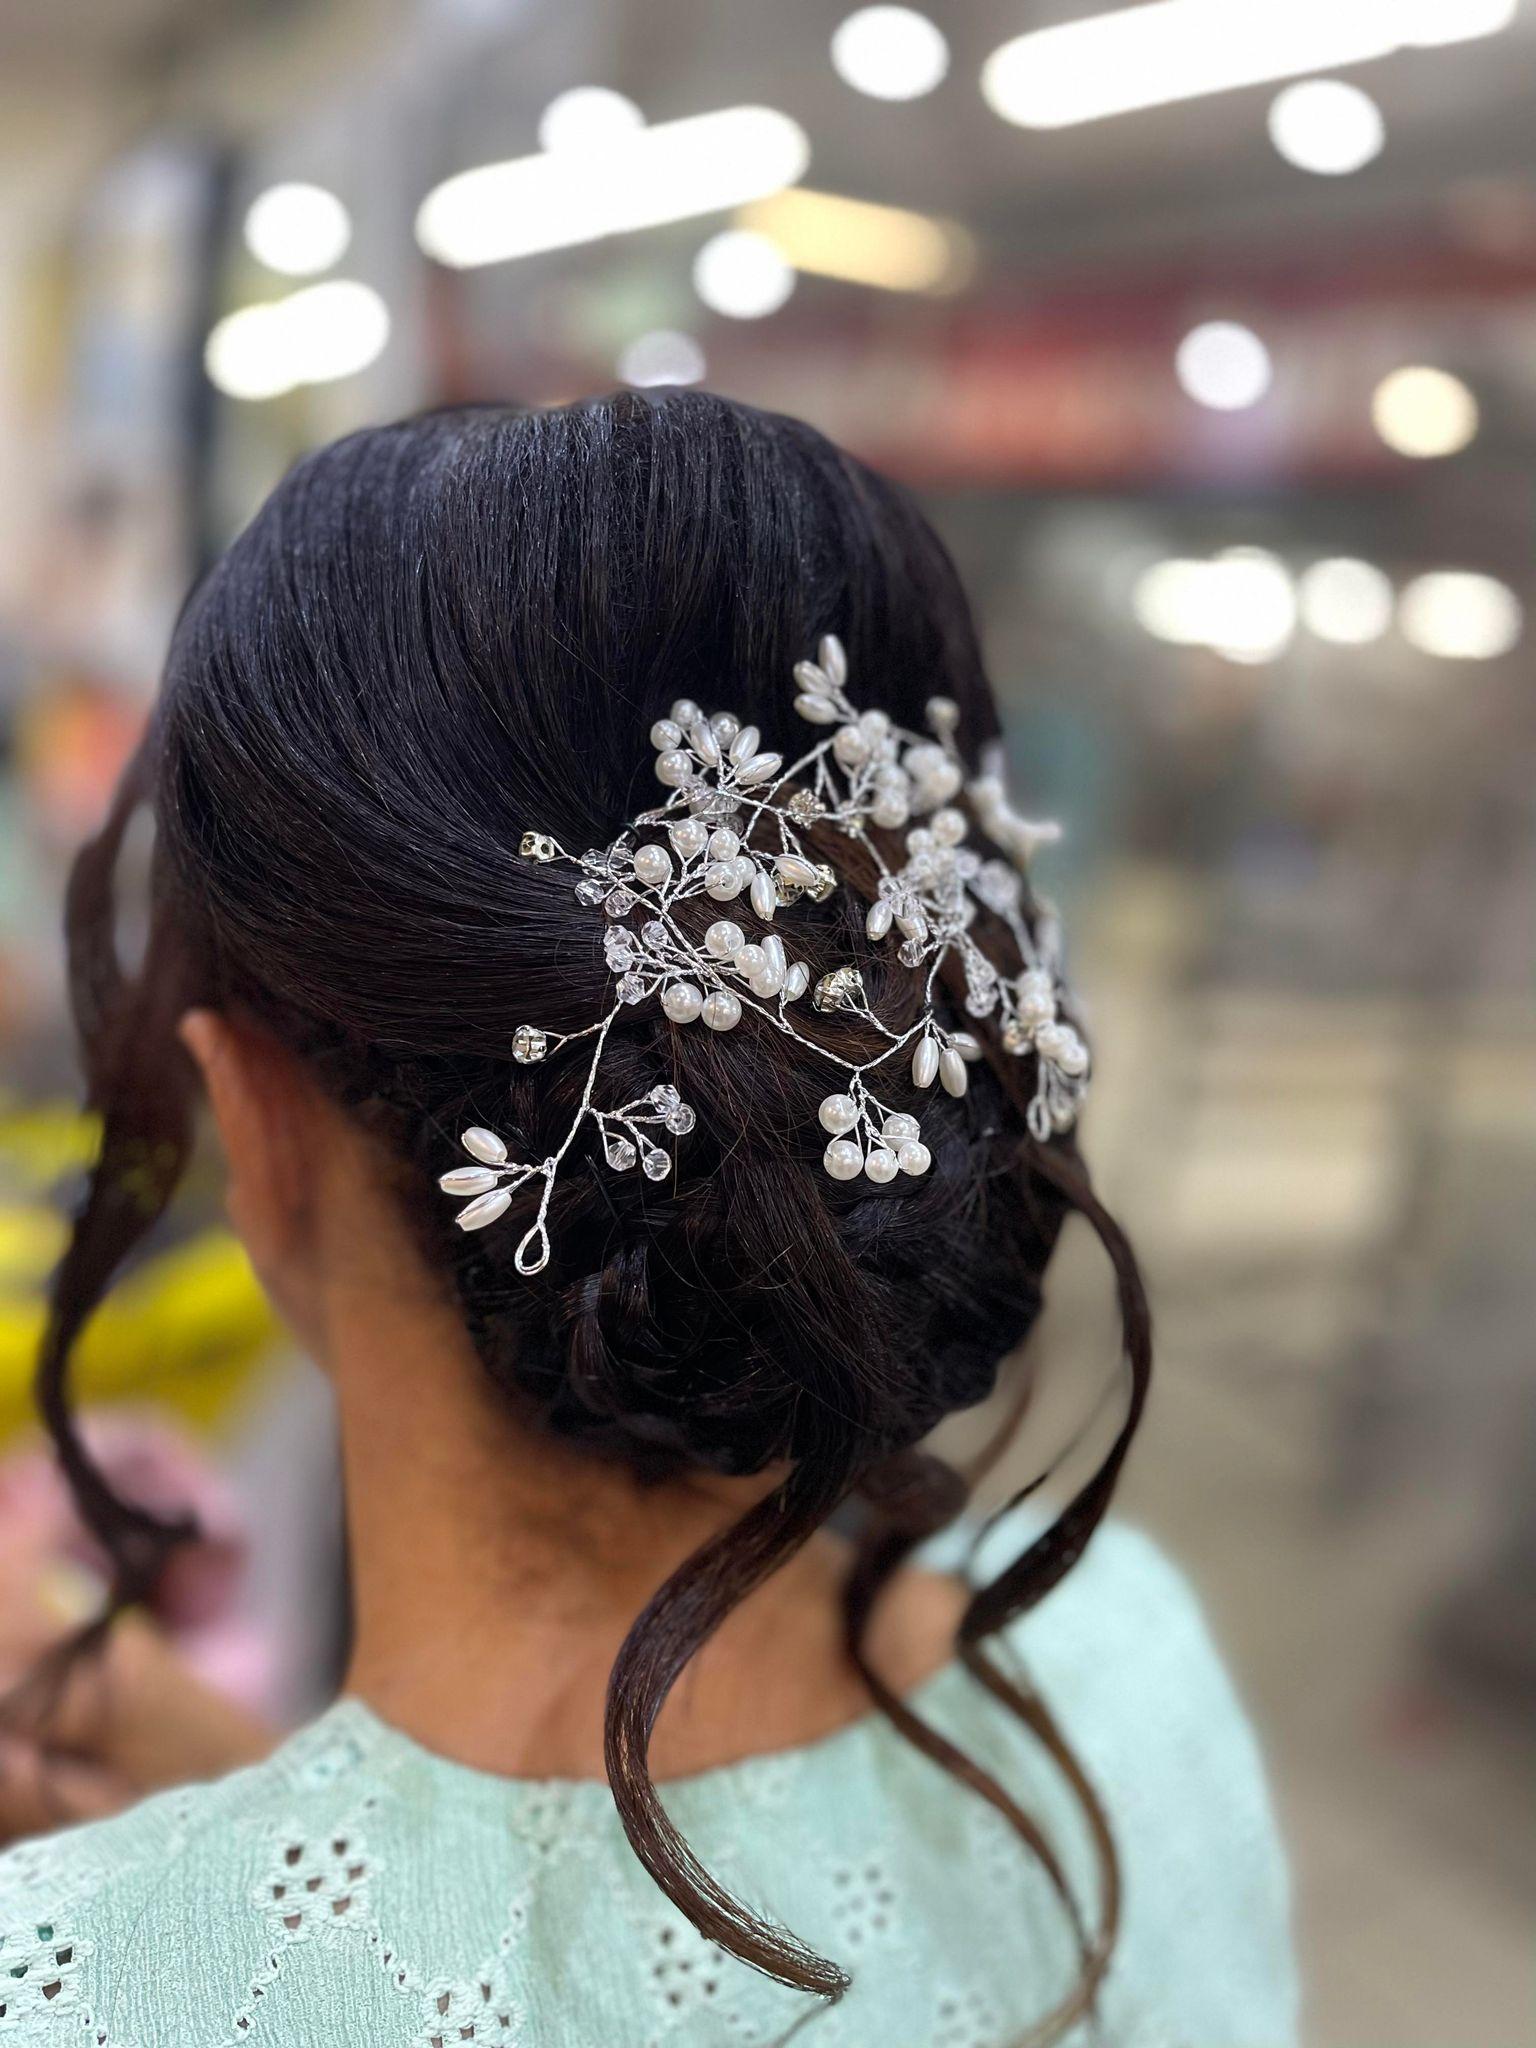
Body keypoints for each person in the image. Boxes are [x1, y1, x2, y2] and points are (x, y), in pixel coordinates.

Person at [0, 393, 1296, 2046]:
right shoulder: (1117, 1668)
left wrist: (210, 1900)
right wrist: (262, 1837)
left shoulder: (63, 1990)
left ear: (251, 1124)